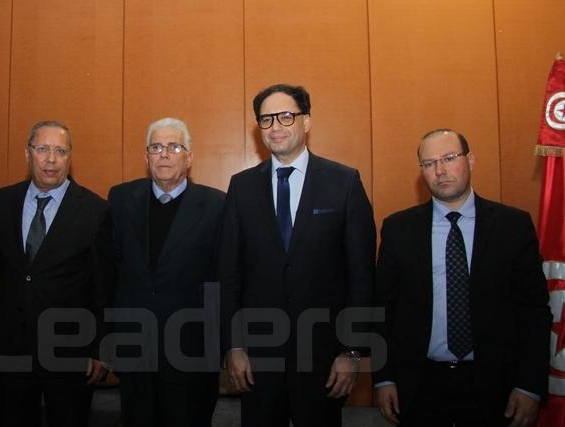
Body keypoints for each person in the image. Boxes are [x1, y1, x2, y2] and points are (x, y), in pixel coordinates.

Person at [218, 84, 377, 426]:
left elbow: (361, 275)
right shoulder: (241, 187)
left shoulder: (344, 182)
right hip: (259, 360)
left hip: (323, 357)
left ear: (307, 122)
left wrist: (352, 351)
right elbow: (229, 273)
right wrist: (233, 346)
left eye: (286, 116)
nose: (275, 126)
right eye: (266, 119)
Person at [373, 129, 551, 427]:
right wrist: (383, 378)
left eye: (449, 158)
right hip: (420, 385)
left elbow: (533, 311)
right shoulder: (398, 229)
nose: (440, 171)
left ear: (470, 160)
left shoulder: (513, 226)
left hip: (497, 384)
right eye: (429, 164)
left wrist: (529, 385)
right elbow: (383, 310)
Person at [0, 120, 116, 427]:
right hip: (10, 351)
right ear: (27, 153)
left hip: (70, 351)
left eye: (60, 151)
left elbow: (105, 285)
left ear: (70, 157)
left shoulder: (95, 209)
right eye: (42, 149)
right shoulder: (4, 200)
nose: (51, 159)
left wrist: (101, 347)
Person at [106, 117, 224, 427]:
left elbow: (221, 279)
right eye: (156, 147)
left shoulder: (217, 205)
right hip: (134, 348)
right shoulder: (120, 199)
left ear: (189, 157)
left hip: (192, 350)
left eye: (174, 146)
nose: (165, 154)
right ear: (146, 158)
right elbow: (112, 271)